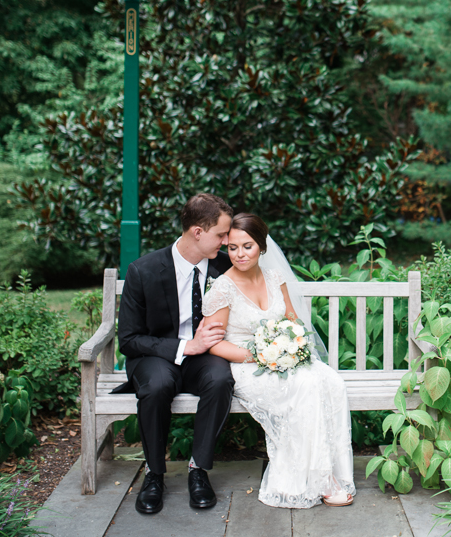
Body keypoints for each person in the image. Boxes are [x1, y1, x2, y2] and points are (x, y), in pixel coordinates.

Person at [202, 212, 356, 508]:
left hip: (281, 361)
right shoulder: (222, 288)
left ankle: (331, 471)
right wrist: (258, 354)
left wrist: (290, 345)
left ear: (261, 246)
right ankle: (319, 481)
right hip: (246, 367)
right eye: (232, 248)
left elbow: (292, 320)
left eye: (247, 246)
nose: (239, 254)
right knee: (307, 387)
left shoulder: (274, 278)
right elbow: (214, 344)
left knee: (332, 383)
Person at [117, 193, 236, 514]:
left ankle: (199, 469)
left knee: (220, 378)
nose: (227, 243)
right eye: (221, 235)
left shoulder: (225, 267)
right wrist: (185, 346)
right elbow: (128, 340)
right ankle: (154, 474)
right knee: (155, 386)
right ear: (198, 232)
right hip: (157, 357)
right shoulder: (143, 271)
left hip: (205, 357)